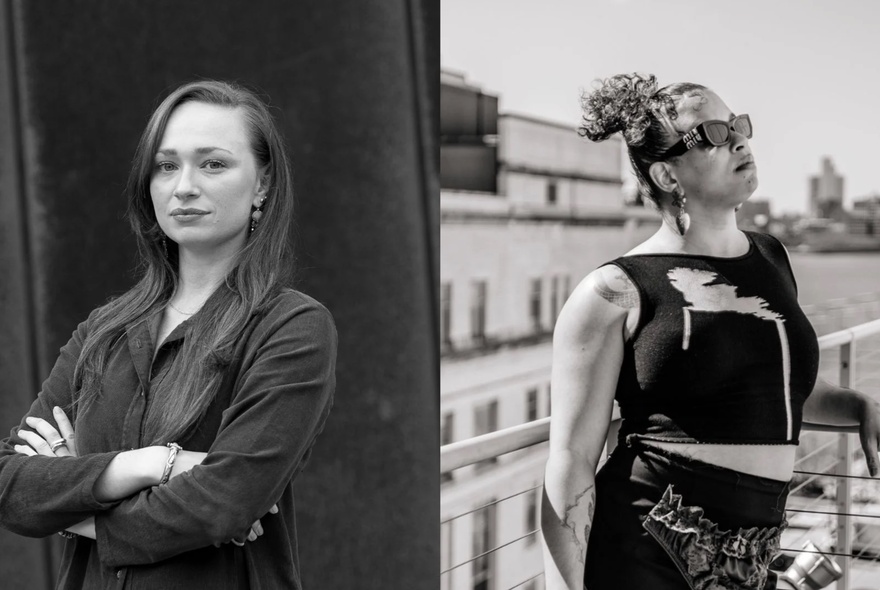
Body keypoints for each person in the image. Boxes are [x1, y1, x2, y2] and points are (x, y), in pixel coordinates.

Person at [540, 73, 880, 589]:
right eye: (715, 135)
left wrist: (856, 407)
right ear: (667, 175)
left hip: (753, 556)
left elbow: (773, 393)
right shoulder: (613, 291)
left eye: (738, 125)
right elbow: (571, 461)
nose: (741, 139)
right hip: (649, 548)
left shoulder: (771, 256)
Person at [0, 80, 337, 589]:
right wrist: (153, 464)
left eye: (214, 164)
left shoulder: (291, 329)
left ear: (263, 184)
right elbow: (9, 485)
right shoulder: (103, 331)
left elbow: (223, 505)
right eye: (166, 165)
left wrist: (70, 497)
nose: (184, 186)